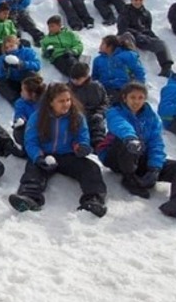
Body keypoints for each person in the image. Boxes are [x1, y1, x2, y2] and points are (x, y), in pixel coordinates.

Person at [98, 82, 176, 225]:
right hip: (116, 155)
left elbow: (156, 142)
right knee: (128, 142)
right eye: (133, 97)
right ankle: (129, 177)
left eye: (140, 98)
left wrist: (154, 168)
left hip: (139, 156)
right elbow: (121, 126)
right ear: (124, 98)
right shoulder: (115, 112)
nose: (136, 101)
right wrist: (131, 139)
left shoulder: (151, 117)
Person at [8, 83, 107, 217]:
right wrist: (38, 156)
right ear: (51, 102)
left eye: (68, 100)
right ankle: (29, 198)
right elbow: (31, 141)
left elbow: (82, 137)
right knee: (33, 171)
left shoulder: (77, 117)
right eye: (61, 101)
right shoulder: (37, 117)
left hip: (68, 155)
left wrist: (81, 147)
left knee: (91, 168)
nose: (66, 104)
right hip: (45, 155)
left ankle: (93, 200)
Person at [117, 0, 174, 77]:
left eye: (140, 0)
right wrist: (137, 34)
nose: (138, 2)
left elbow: (148, 29)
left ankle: (166, 68)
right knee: (127, 37)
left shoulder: (146, 13)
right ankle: (133, 67)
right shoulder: (125, 12)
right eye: (136, 0)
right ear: (131, 0)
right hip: (127, 37)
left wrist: (153, 37)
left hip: (141, 38)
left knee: (161, 43)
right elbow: (122, 29)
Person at [92, 35, 146, 100]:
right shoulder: (98, 60)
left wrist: (138, 89)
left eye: (103, 44)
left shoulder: (127, 55)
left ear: (110, 46)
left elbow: (139, 72)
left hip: (123, 88)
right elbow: (95, 77)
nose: (100, 46)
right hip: (104, 88)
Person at [68, 62, 108, 148]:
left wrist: (100, 113)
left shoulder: (96, 87)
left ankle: (98, 145)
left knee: (97, 124)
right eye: (73, 79)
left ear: (85, 77)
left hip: (93, 114)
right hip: (77, 115)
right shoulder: (68, 88)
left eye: (78, 79)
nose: (75, 81)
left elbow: (105, 102)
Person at [0, 35, 41, 104]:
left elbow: (37, 65)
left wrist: (23, 64)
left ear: (17, 44)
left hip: (26, 79)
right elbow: (1, 76)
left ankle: (35, 96)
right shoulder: (2, 58)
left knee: (32, 75)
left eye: (11, 46)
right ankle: (16, 100)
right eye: (7, 48)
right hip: (14, 82)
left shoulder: (27, 51)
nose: (9, 49)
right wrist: (5, 69)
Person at [12, 75, 45, 148]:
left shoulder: (45, 101)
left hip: (44, 128)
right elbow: (19, 114)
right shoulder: (20, 103)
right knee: (18, 132)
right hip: (29, 128)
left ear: (33, 94)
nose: (21, 92)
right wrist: (21, 120)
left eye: (23, 91)